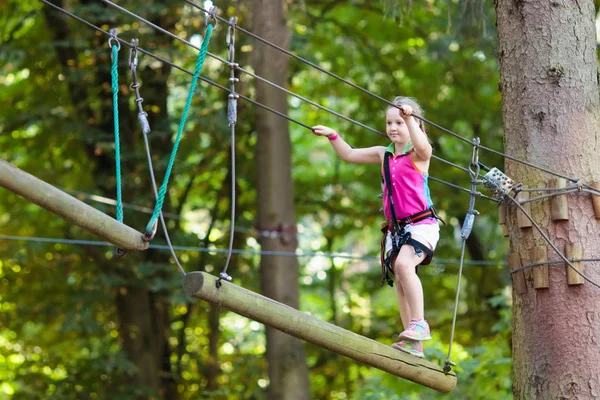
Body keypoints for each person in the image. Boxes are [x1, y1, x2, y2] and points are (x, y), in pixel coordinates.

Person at [312, 96, 443, 359]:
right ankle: (412, 340)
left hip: (422, 224)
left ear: (415, 125)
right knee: (401, 280)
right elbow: (349, 154)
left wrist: (409, 119)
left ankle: (420, 324)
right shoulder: (383, 154)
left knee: (405, 266)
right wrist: (333, 136)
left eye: (399, 122)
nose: (393, 127)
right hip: (397, 230)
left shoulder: (418, 154)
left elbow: (425, 147)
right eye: (389, 122)